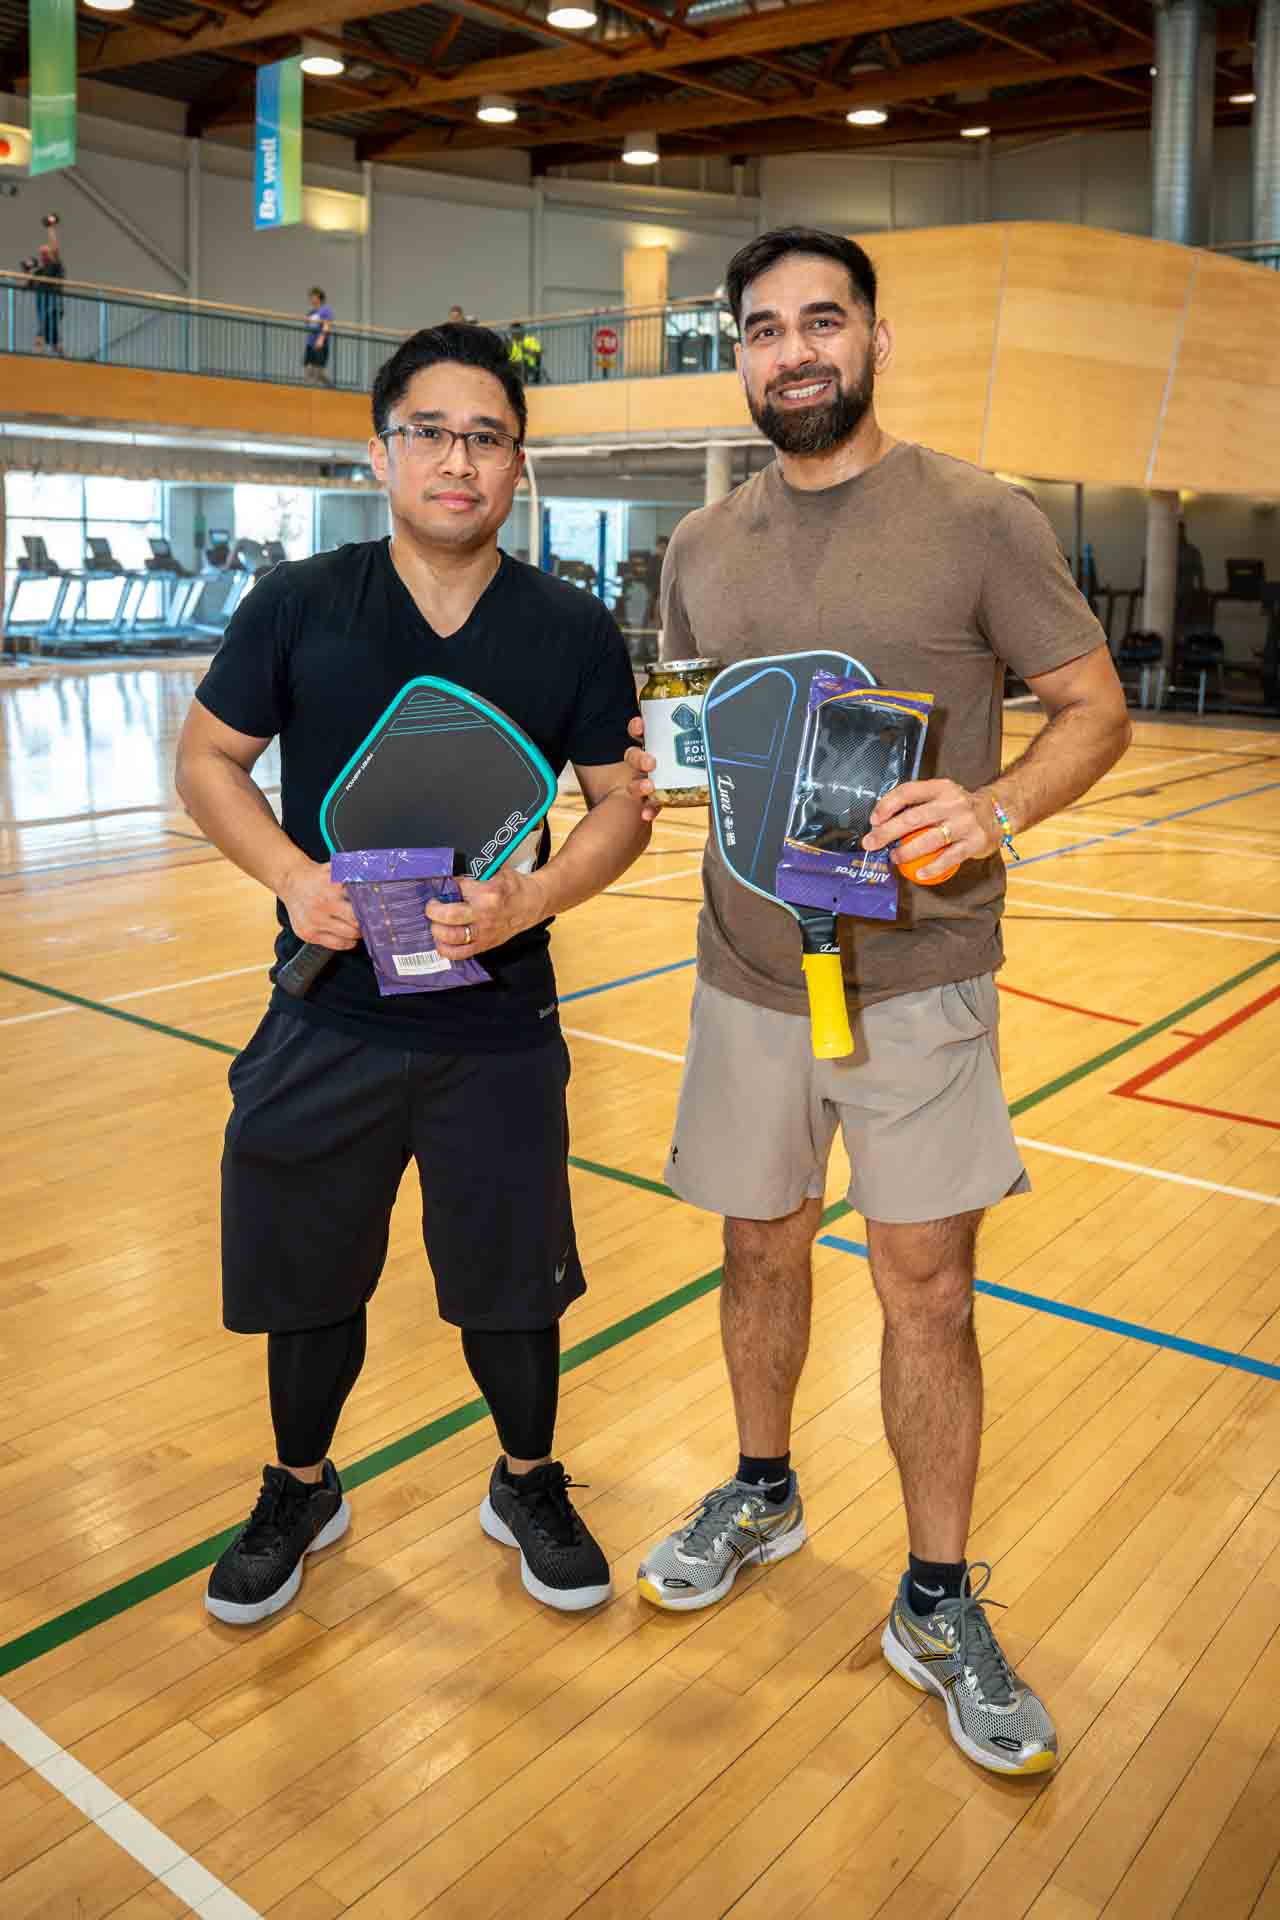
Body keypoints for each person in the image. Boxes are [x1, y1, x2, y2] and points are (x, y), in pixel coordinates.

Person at [631, 227, 1131, 1777]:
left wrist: (995, 809)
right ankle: (763, 1490)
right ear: (739, 355)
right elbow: (694, 735)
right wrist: (662, 773)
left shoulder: (981, 518)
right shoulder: (700, 545)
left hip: (919, 983)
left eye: (822, 322)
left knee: (927, 1291)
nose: (794, 352)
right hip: (747, 976)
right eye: (764, 329)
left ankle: (934, 1595)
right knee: (758, 1250)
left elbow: (1093, 708)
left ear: (874, 340)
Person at [175, 322, 653, 1625]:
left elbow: (621, 804)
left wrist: (531, 899)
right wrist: (293, 877)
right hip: (325, 1013)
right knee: (306, 1274)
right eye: (430, 433)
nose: (457, 459)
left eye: (486, 437)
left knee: (513, 1280)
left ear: (517, 465)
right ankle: (300, 1487)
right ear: (380, 452)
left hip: (497, 1026)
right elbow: (208, 760)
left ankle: (527, 1480)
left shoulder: (569, 628)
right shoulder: (299, 603)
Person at [29, 242, 65, 355]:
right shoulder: (39, 271)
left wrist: (51, 232)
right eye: (41, 254)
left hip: (54, 305)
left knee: (43, 329)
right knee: (51, 333)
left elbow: (56, 251)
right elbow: (28, 285)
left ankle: (38, 350)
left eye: (45, 253)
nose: (43, 256)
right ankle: (60, 351)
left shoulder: (55, 265)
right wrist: (30, 272)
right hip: (43, 306)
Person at [303, 286, 333, 385]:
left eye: (313, 297)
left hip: (320, 344)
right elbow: (309, 325)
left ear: (319, 297)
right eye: (310, 297)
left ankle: (330, 386)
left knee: (318, 373)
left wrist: (321, 339)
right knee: (308, 369)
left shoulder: (326, 310)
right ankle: (308, 387)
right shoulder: (311, 312)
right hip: (310, 343)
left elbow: (327, 325)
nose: (311, 299)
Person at [508, 319, 543, 384]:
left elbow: (539, 353)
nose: (512, 334)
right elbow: (511, 357)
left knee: (521, 363)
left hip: (530, 365)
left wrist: (525, 350)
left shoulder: (530, 339)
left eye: (514, 332)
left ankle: (523, 383)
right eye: (512, 332)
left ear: (521, 331)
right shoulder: (513, 343)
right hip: (516, 365)